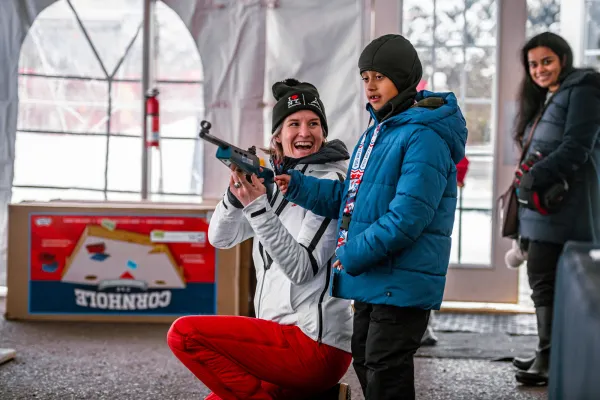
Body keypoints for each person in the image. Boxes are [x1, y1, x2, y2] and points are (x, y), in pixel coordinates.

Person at [275, 34, 468, 400]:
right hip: (374, 275)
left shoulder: (423, 137)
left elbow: (408, 216)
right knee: (366, 359)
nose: (370, 86)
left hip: (399, 279)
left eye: (379, 76)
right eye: (365, 78)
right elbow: (352, 198)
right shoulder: (378, 131)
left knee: (384, 367)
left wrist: (349, 254)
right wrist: (296, 185)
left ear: (403, 77)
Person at [167, 79, 354, 400]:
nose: (305, 132)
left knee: (185, 334)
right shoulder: (277, 183)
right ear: (277, 137)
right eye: (293, 124)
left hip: (314, 343)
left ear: (324, 133)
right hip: (276, 340)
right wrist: (236, 195)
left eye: (314, 123)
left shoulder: (331, 182)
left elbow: (302, 269)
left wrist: (257, 208)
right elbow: (219, 238)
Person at [511, 31, 600, 386]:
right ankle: (546, 351)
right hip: (545, 207)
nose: (539, 69)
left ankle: (549, 357)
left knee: (545, 279)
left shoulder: (584, 88)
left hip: (566, 205)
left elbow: (577, 145)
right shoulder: (553, 95)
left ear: (563, 58)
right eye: (533, 64)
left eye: (546, 61)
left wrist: (532, 177)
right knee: (542, 280)